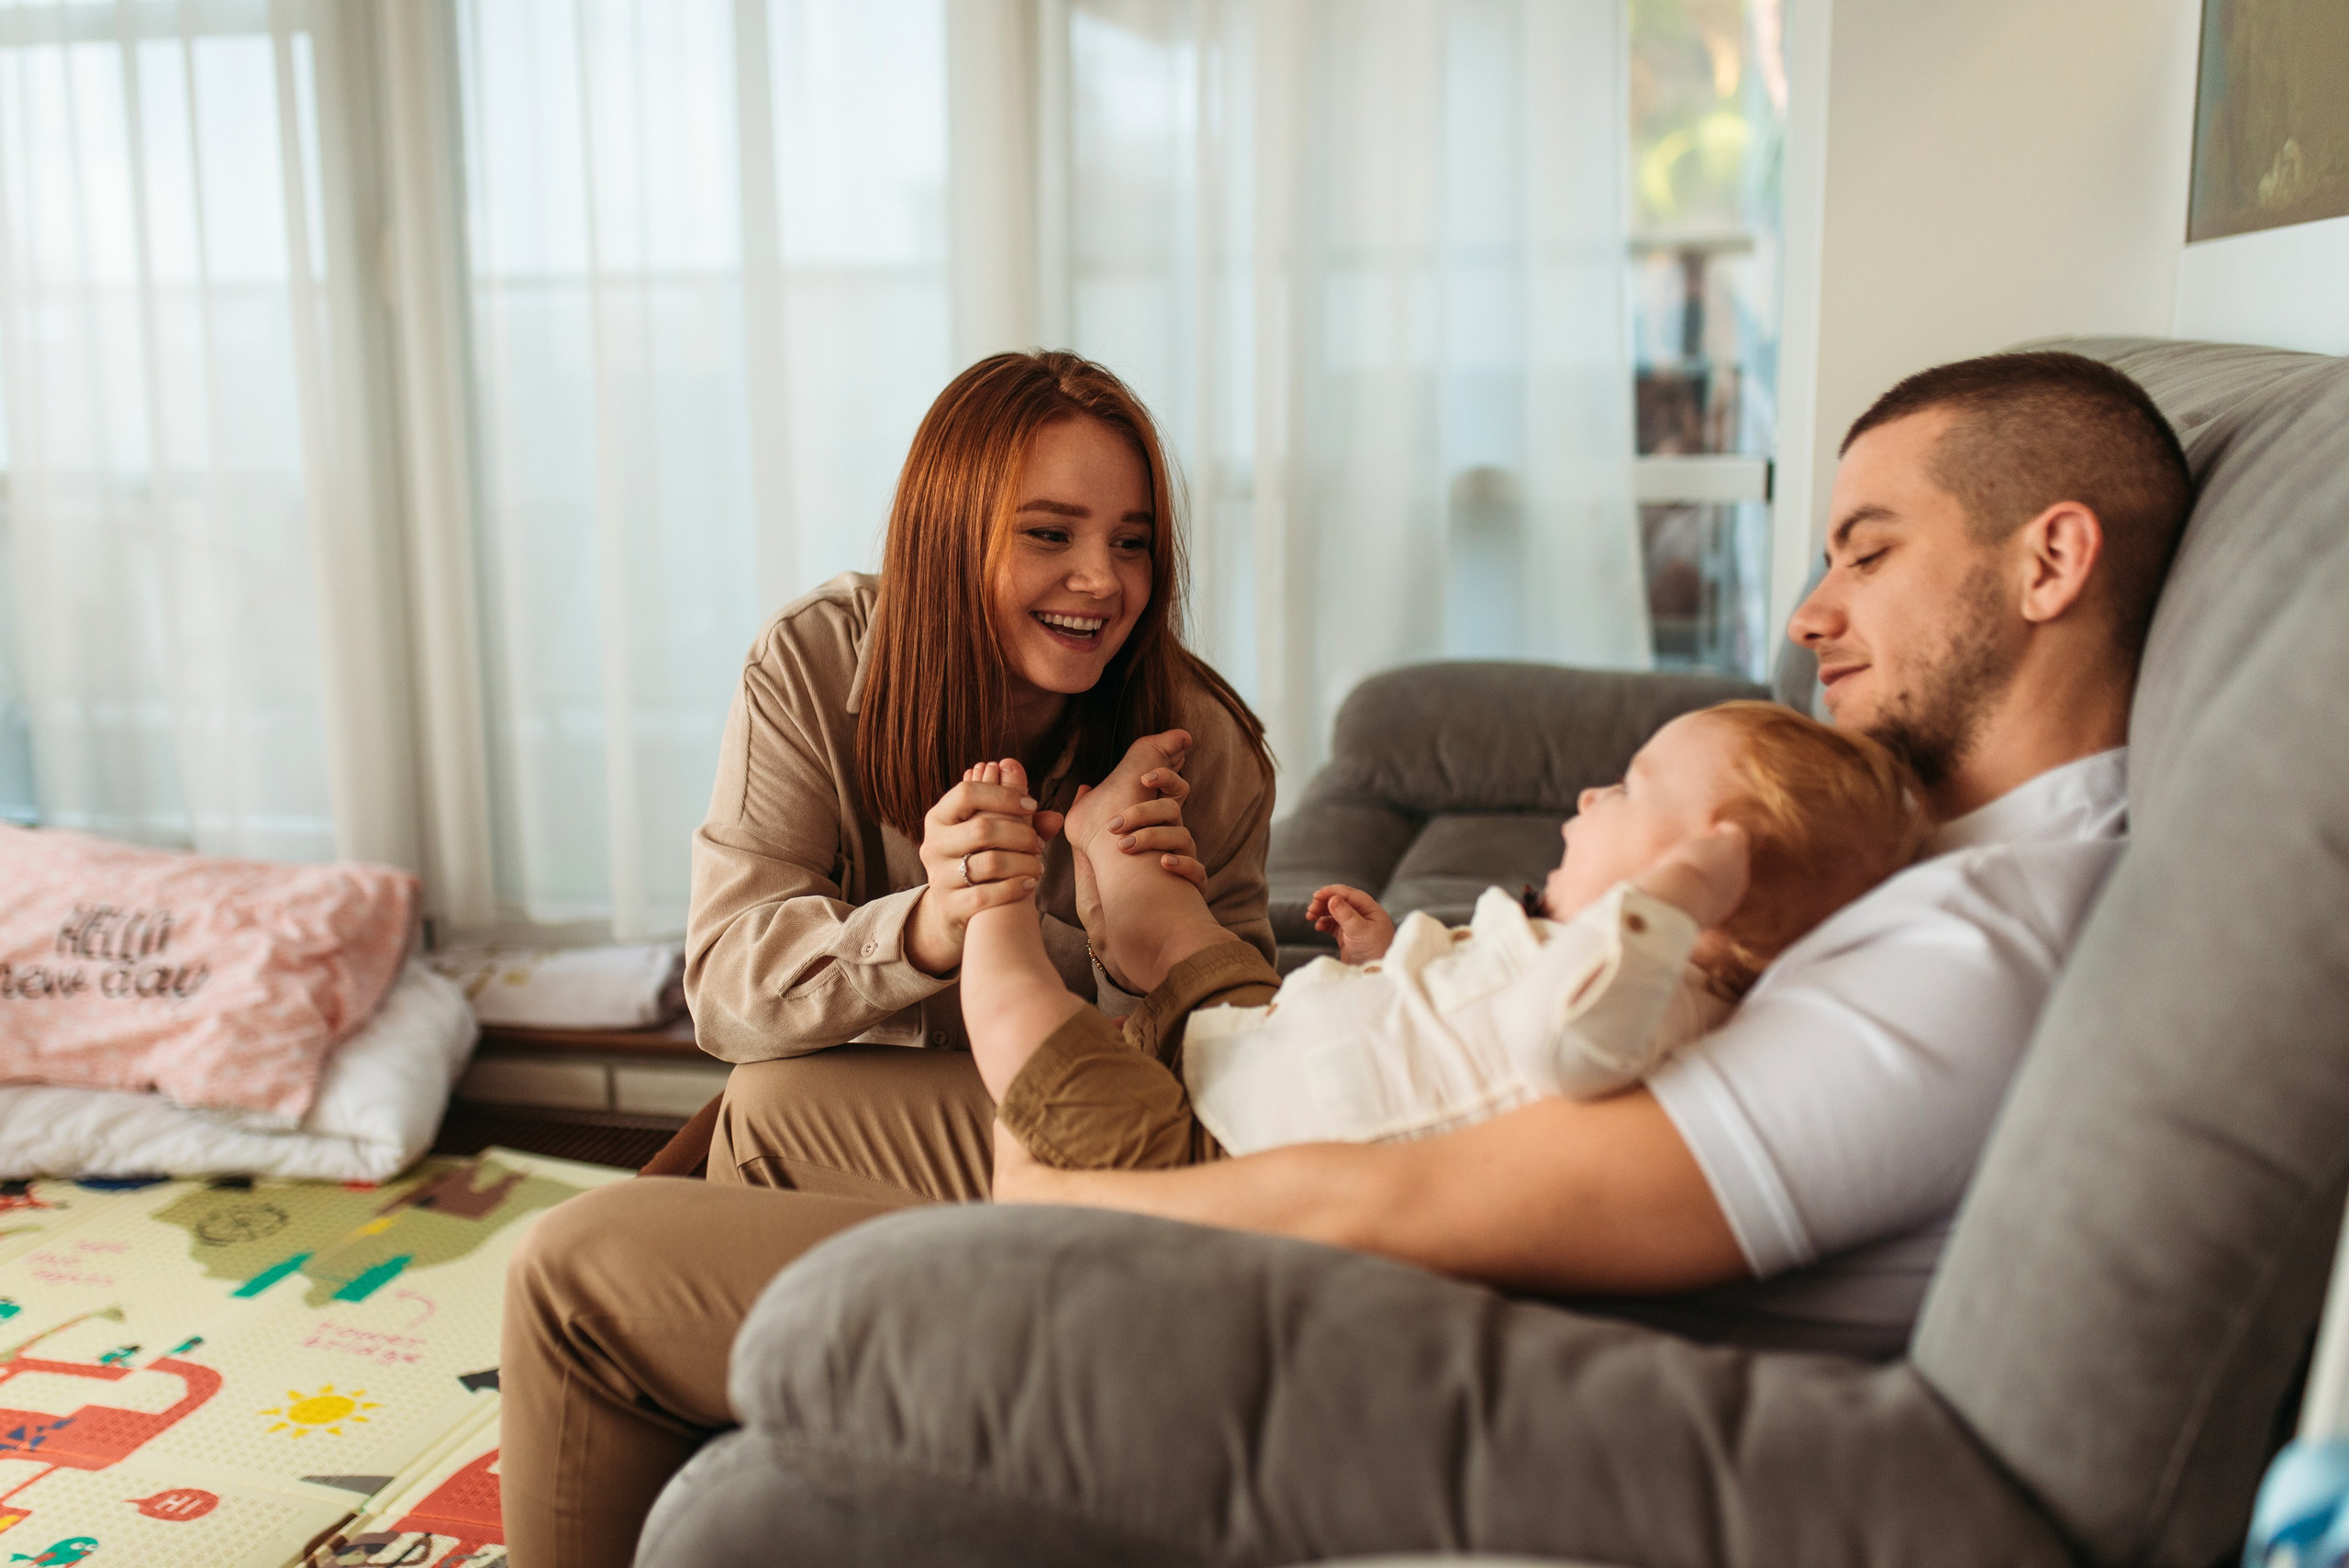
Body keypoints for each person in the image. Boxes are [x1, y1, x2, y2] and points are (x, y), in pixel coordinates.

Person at [498, 350, 2195, 1568]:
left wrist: (1055, 1161)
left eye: (1866, 553)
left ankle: (672, 1363)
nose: (1812, 610)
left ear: (2051, 557)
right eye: (1050, 533)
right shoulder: (1940, 853)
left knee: (568, 1269)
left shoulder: (1974, 941)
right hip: (1261, 1127)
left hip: (1271, 1245)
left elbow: (1409, 1201)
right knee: (783, 1106)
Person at [659, 350, 1276, 1190]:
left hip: (1107, 1145)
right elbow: (728, 993)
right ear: (949, 532)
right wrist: (928, 927)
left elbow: (1246, 1082)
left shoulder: (1205, 743)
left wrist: (1131, 960)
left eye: (1131, 543)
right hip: (879, 1134)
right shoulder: (811, 662)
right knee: (766, 1098)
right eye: (1050, 534)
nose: (1102, 580)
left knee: (769, 1110)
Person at [959, 703, 1928, 1171]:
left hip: (1213, 1151)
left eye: (1631, 787)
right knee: (1185, 939)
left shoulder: (1647, 993)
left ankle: (988, 886)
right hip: (1259, 1043)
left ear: (1709, 876)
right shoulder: (1603, 962)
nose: (1590, 793)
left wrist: (1674, 897)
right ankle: (1101, 838)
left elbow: (1554, 1035)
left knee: (1021, 1020)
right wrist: (1389, 960)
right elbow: (1466, 1025)